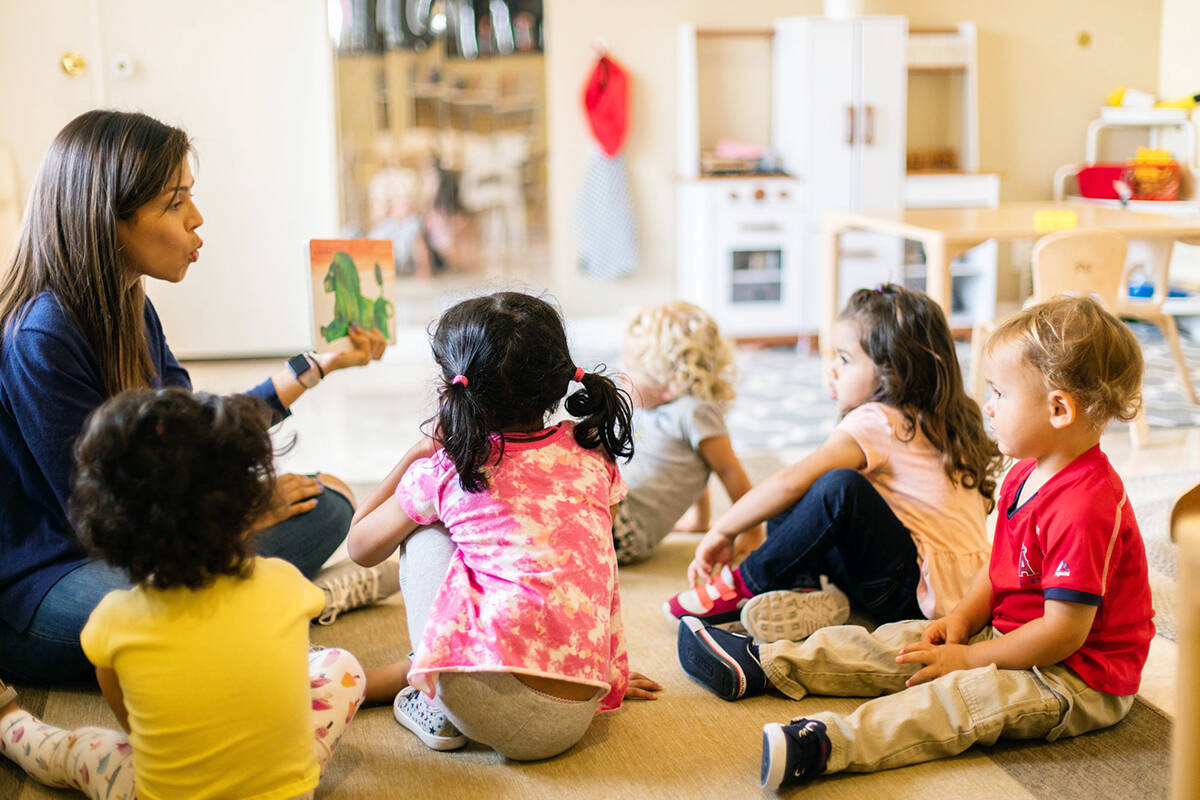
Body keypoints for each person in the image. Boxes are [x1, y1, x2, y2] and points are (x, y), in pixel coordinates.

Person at [676, 295, 1154, 791]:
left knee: (956, 700)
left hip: (1074, 679)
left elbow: (1063, 635)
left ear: (1058, 409)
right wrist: (961, 623)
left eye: (999, 394)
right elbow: (999, 569)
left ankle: (828, 744)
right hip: (1012, 636)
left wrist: (969, 658)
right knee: (899, 644)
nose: (987, 406)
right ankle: (766, 663)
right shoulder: (1025, 473)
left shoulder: (1087, 504)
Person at [0, 110, 393, 684]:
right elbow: (96, 518)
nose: (197, 217)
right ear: (108, 216)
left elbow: (198, 434)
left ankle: (273, 611)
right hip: (53, 582)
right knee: (187, 610)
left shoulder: (130, 303)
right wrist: (237, 515)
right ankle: (291, 613)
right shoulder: (43, 332)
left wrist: (317, 366)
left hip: (147, 547)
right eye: (175, 201)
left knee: (328, 501)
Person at [0, 388, 409, 799]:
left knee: (81, 750)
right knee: (340, 665)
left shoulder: (111, 619)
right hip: (288, 793)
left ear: (107, 525)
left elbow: (129, 717)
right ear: (251, 509)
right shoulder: (284, 582)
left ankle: (10, 725)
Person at [347, 291, 661, 761]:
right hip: (580, 706)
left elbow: (360, 545)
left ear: (457, 385)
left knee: (427, 530)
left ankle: (433, 700)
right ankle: (412, 674)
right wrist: (603, 669)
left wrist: (416, 455)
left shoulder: (452, 468)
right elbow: (579, 573)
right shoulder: (593, 457)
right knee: (525, 544)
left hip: (486, 708)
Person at [665, 284, 1004, 642]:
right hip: (956, 592)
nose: (832, 369)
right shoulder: (948, 417)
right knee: (808, 487)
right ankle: (800, 593)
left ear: (892, 372)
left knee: (834, 486)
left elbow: (789, 482)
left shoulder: (879, 421)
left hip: (914, 597)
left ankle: (747, 584)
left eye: (844, 359)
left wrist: (724, 530)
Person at [611, 301, 762, 565]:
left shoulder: (694, 412)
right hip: (613, 512)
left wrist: (752, 531)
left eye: (630, 367)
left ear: (671, 381)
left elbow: (729, 471)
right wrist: (699, 519)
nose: (622, 375)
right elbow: (690, 464)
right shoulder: (655, 408)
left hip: (623, 530)